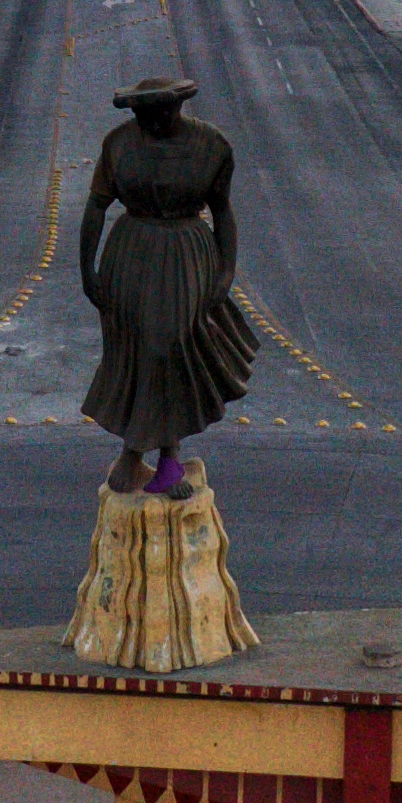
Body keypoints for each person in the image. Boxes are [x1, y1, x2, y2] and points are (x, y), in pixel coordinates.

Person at [76, 77, 258, 497]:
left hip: (185, 251)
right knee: (130, 346)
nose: (149, 124)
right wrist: (87, 270)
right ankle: (133, 450)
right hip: (132, 251)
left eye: (156, 115)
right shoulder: (119, 143)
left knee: (170, 343)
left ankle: (169, 456)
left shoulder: (212, 146)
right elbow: (96, 206)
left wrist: (226, 271)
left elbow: (223, 211)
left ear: (174, 109)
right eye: (141, 116)